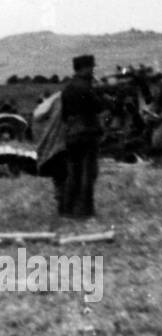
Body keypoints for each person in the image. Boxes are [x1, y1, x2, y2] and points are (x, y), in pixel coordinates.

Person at [60, 54, 105, 218]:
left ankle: (67, 209)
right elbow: (98, 107)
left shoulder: (67, 88)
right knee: (89, 173)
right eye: (91, 67)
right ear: (84, 68)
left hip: (71, 135)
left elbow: (64, 114)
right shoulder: (86, 88)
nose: (93, 70)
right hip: (87, 134)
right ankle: (86, 211)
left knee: (74, 173)